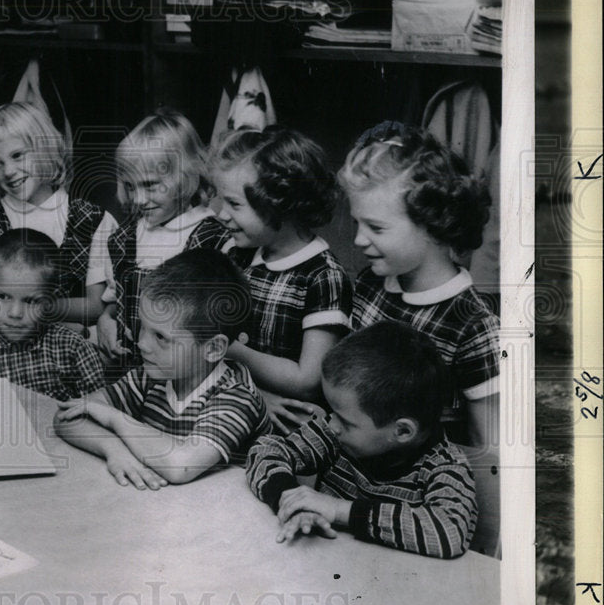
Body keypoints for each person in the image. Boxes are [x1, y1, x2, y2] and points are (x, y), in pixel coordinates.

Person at [246, 321, 478, 559]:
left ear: (402, 432)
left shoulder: (445, 468)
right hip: (327, 567)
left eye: (346, 422)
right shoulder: (334, 433)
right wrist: (290, 499)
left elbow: (448, 533)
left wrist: (338, 510)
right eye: (331, 411)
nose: (332, 424)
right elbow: (265, 450)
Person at [338, 122, 498, 448]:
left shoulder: (474, 326)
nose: (358, 240)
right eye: (358, 223)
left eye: (376, 228)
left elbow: (489, 447)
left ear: (432, 223)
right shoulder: (370, 286)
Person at [55, 249, 270, 488]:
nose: (142, 344)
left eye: (160, 336)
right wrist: (113, 449)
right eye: (142, 326)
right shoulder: (150, 375)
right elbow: (67, 417)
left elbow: (180, 466)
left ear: (213, 349)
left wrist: (116, 419)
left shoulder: (237, 396)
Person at [208, 126, 353, 427]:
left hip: (286, 427)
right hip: (228, 401)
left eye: (234, 204)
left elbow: (307, 381)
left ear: (280, 205)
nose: (221, 214)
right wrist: (255, 394)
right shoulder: (235, 254)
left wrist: (229, 347)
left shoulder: (323, 277)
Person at [0, 101, 117, 334]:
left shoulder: (91, 219)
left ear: (45, 149)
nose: (9, 171)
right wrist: (63, 324)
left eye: (17, 155)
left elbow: (95, 305)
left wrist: (28, 312)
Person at [98, 108, 232, 368]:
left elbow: (222, 329)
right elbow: (115, 301)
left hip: (184, 376)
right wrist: (105, 320)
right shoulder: (123, 238)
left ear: (185, 175)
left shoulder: (212, 240)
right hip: (128, 373)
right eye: (129, 186)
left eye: (149, 185)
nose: (138, 199)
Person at [0, 229, 106, 400]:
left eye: (30, 301)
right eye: (3, 297)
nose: (15, 313)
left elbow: (99, 413)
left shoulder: (75, 350)